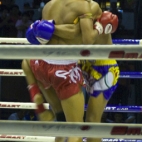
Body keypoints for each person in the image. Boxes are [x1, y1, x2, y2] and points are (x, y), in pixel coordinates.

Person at [23, 0, 118, 142]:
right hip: (75, 66)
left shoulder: (49, 6)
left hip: (97, 66)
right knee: (81, 127)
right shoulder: (84, 7)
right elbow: (86, 39)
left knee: (69, 122)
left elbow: (43, 36)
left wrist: (49, 28)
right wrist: (97, 28)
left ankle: (35, 92)